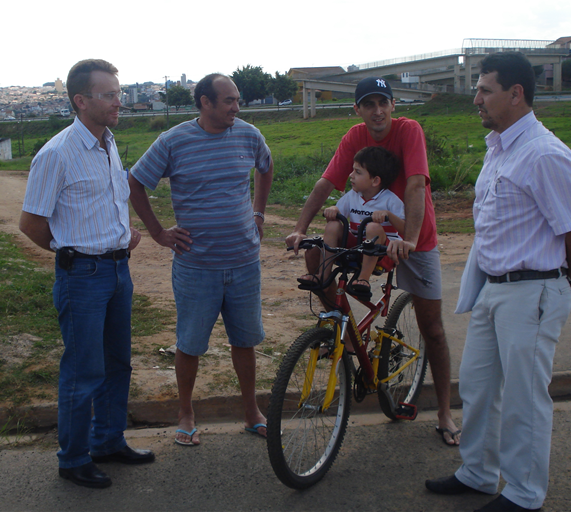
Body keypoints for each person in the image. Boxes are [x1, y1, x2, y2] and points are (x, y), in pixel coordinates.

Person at [425, 52, 571, 511]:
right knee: (479, 388)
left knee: (524, 398)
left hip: (532, 291)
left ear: (515, 94)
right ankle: (479, 473)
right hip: (493, 289)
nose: (476, 99)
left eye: (485, 90)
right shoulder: (500, 148)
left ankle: (523, 494)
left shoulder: (544, 154)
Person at [286, 76, 461, 446]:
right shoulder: (354, 137)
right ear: (358, 110)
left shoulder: (409, 131)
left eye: (384, 102)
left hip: (414, 238)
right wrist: (300, 228)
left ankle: (445, 412)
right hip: (369, 232)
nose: (377, 110)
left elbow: (415, 185)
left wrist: (411, 239)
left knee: (432, 328)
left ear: (393, 105)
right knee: (315, 257)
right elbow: (325, 183)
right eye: (369, 104)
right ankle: (348, 335)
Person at [19, 59, 153, 489]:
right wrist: (74, 252)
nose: (120, 101)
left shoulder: (109, 143)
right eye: (109, 94)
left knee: (117, 364)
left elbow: (105, 202)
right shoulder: (57, 153)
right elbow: (32, 223)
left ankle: (108, 441)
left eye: (119, 92)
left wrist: (118, 236)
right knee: (83, 369)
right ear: (81, 101)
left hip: (118, 271)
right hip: (83, 277)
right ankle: (73, 458)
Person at [128, 73, 274, 446]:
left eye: (237, 100)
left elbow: (265, 166)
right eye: (228, 101)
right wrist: (159, 233)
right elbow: (135, 182)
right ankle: (186, 413)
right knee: (190, 344)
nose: (236, 108)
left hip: (243, 263)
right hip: (196, 268)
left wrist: (258, 212)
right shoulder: (174, 141)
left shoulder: (248, 134)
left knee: (245, 342)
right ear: (205, 103)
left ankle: (251, 412)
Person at [298, 146, 405, 297]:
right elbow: (338, 211)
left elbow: (406, 229)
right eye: (352, 170)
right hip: (355, 249)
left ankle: (363, 279)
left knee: (373, 227)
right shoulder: (352, 196)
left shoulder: (391, 200)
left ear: (375, 181)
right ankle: (324, 274)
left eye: (357, 172)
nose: (351, 175)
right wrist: (333, 209)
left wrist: (388, 215)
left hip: (382, 254)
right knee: (333, 224)